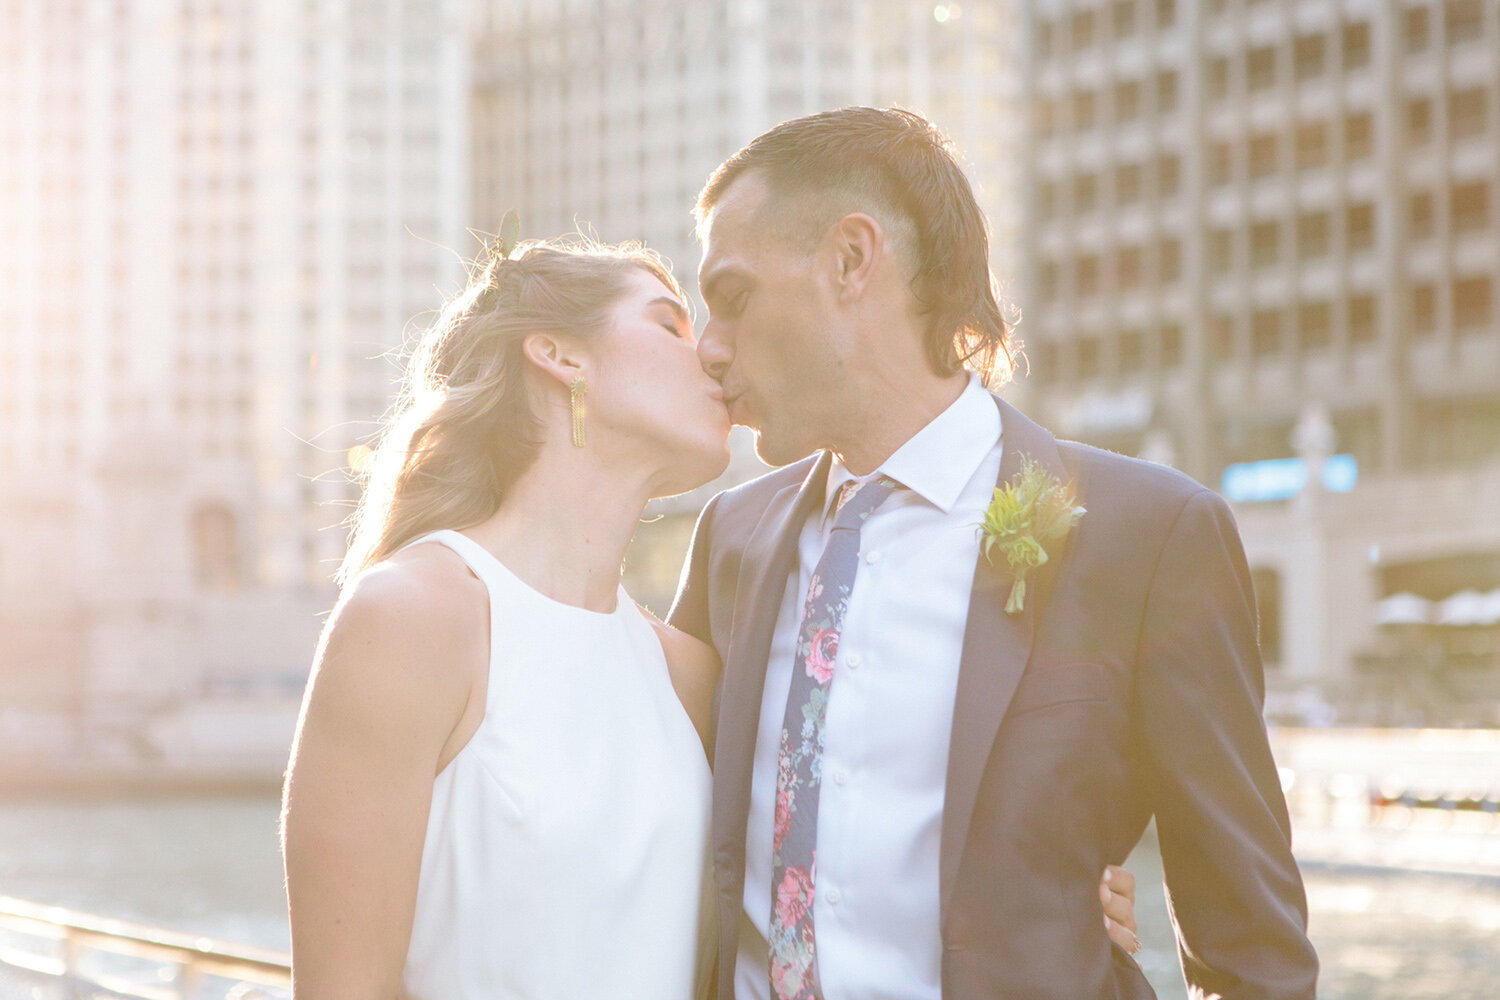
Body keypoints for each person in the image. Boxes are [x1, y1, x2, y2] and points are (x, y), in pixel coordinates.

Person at [280, 233, 1140, 999]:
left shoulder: (687, 673)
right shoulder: (412, 617)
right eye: (670, 324)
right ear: (559, 356)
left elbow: (848, 837)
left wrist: (1056, 896)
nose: (717, 356)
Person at [668, 107, 1320, 1000]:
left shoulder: (1147, 536)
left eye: (732, 297)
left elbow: (1251, 951)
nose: (708, 348)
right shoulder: (731, 539)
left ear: (852, 261)